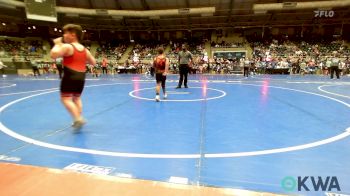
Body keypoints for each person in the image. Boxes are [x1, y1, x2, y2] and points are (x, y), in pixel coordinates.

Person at [50, 24, 96, 128]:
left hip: (70, 75)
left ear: (73, 35)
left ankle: (78, 118)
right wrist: (82, 60)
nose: (64, 35)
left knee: (65, 99)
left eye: (65, 33)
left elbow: (53, 55)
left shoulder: (68, 46)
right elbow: (93, 62)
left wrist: (57, 44)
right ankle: (77, 118)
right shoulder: (85, 50)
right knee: (77, 98)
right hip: (81, 76)